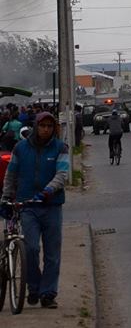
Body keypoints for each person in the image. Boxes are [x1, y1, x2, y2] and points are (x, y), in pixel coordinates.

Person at [0, 112, 69, 308]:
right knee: (30, 248)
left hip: (52, 206)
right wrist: (6, 197)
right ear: (36, 126)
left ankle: (48, 294)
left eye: (49, 126)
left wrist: (47, 191)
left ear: (53, 128)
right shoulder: (20, 148)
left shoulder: (60, 148)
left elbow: (62, 174)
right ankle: (33, 287)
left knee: (52, 254)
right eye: (42, 125)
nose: (46, 129)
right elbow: (11, 175)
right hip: (27, 206)